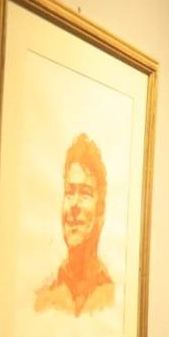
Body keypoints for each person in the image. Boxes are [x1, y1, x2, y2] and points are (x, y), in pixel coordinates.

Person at [34, 134, 115, 316]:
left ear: (100, 210)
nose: (74, 205)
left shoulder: (114, 295)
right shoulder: (43, 298)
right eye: (69, 193)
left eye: (85, 193)